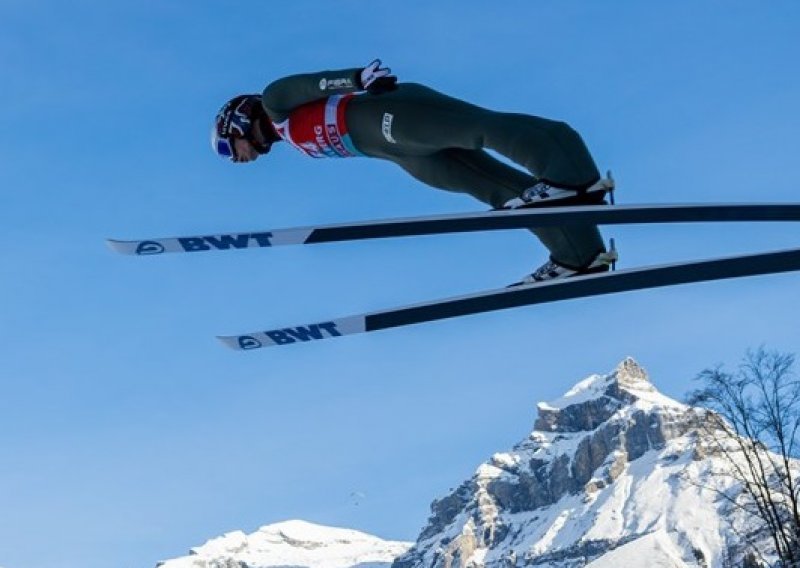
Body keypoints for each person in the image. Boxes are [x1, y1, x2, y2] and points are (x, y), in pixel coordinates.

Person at [211, 60, 617, 283]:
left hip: (394, 115)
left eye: (230, 146)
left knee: (477, 129)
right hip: (400, 153)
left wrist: (358, 78)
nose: (237, 158)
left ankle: (568, 168)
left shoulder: (274, 101)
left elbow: (311, 85)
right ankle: (577, 254)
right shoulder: (293, 140)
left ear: (238, 121)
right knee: (500, 192)